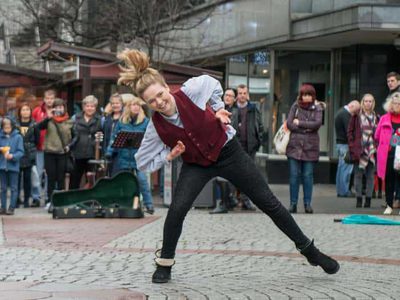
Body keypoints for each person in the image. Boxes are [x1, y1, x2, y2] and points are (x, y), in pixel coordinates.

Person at [117, 49, 339, 283]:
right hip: (196, 165)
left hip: (228, 151)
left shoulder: (191, 91)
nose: (159, 102)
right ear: (144, 103)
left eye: (161, 94)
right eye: (152, 101)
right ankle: (165, 263)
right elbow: (142, 162)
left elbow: (213, 83)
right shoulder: (155, 127)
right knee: (177, 211)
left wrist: (215, 108)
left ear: (166, 86)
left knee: (269, 202)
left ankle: (310, 251)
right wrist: (168, 156)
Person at [107, 96, 154, 214]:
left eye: (138, 105)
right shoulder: (122, 122)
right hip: (124, 158)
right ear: (128, 107)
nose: (136, 107)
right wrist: (109, 152)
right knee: (122, 181)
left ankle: (149, 205)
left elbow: (150, 139)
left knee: (142, 181)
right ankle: (121, 204)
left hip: (139, 158)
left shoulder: (145, 122)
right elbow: (114, 138)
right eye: (133, 105)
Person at [286, 84, 323, 214]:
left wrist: (300, 123)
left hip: (310, 147)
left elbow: (317, 124)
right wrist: (307, 128)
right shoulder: (295, 106)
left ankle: (307, 204)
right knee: (294, 176)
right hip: (294, 146)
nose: (306, 97)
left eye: (309, 94)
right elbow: (289, 124)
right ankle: (293, 204)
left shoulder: (317, 108)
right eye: (304, 94)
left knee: (308, 176)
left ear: (313, 96)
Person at [36, 98, 75, 212]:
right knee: (51, 178)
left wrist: (69, 146)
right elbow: (38, 127)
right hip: (49, 152)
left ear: (64, 108)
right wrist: (48, 118)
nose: (58, 109)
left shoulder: (70, 121)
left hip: (62, 153)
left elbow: (75, 136)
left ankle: (61, 201)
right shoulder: (49, 120)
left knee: (61, 178)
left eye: (61, 107)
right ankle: (50, 201)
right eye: (56, 107)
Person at [230, 84, 264, 210]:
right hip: (235, 147)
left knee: (248, 175)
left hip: (250, 147)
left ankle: (246, 199)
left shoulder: (253, 108)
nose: (242, 95)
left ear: (247, 95)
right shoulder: (232, 109)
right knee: (234, 173)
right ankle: (232, 198)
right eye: (240, 93)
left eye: (244, 93)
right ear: (237, 95)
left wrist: (257, 142)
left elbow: (260, 126)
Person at [347, 94, 378, 208]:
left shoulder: (376, 117)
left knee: (370, 176)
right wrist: (352, 146)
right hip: (359, 150)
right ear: (362, 102)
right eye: (366, 101)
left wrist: (377, 145)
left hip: (372, 150)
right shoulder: (356, 117)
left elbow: (378, 134)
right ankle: (359, 199)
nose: (368, 103)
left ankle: (368, 199)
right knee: (358, 175)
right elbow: (349, 132)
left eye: (370, 101)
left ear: (373, 103)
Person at [375, 92, 400, 215]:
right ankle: (389, 205)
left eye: (398, 103)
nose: (396, 105)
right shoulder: (384, 118)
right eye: (394, 103)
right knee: (389, 180)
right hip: (389, 154)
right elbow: (377, 135)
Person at [70, 95, 103, 189]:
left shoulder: (100, 120)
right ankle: (72, 199)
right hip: (77, 153)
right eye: (87, 106)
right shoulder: (75, 118)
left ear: (95, 108)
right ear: (83, 107)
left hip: (92, 153)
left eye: (92, 106)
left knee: (92, 180)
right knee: (75, 180)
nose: (90, 108)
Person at [32, 89, 56, 204]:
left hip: (52, 148)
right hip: (39, 147)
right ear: (44, 99)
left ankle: (47, 196)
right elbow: (33, 127)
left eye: (51, 98)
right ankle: (36, 197)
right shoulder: (37, 111)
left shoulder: (58, 110)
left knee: (49, 173)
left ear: (54, 99)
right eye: (47, 98)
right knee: (38, 173)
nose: (49, 101)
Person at [334, 100, 361, 197]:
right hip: (345, 145)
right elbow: (349, 131)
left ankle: (340, 190)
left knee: (341, 168)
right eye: (356, 110)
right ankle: (344, 191)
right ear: (351, 106)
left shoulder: (340, 112)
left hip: (340, 144)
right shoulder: (345, 115)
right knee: (346, 169)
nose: (356, 113)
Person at [16, 103, 40, 208]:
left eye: (27, 109)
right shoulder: (15, 124)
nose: (25, 112)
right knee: (16, 179)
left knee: (27, 178)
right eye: (23, 109)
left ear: (30, 112)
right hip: (17, 154)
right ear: (20, 112)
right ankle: (16, 199)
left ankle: (26, 200)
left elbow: (37, 140)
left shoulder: (35, 124)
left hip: (30, 154)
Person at [0, 118, 24, 215]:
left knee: (14, 188)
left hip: (13, 166)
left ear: (12, 127)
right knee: (3, 188)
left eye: (8, 127)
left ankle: (12, 207)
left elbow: (21, 152)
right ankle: (3, 207)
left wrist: (12, 156)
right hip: (2, 166)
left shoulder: (18, 137)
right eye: (5, 127)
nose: (7, 129)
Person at [102, 94, 124, 175]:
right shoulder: (108, 118)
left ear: (122, 104)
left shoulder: (125, 117)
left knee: (118, 175)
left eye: (117, 103)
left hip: (120, 153)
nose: (115, 105)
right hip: (108, 151)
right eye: (113, 103)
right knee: (109, 175)